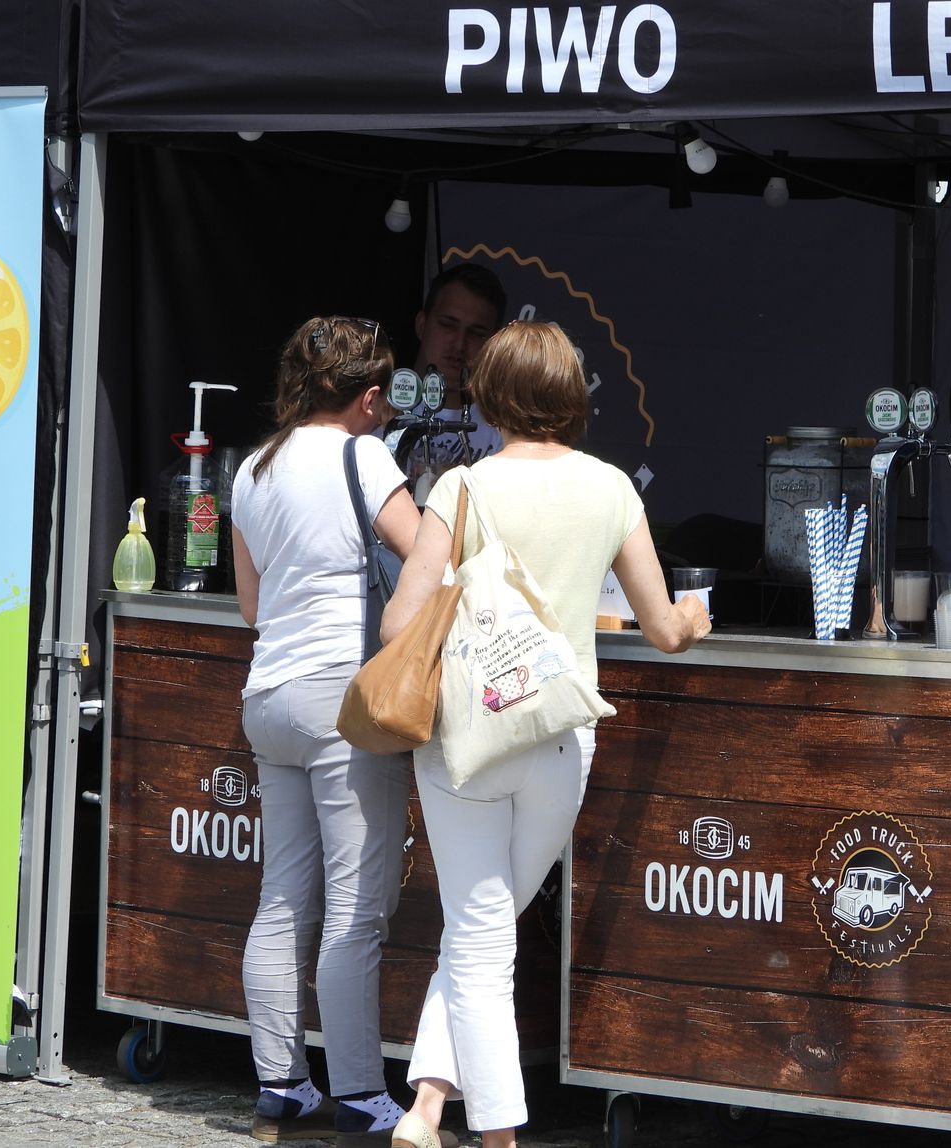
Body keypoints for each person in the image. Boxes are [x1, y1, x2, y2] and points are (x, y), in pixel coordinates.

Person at [378, 321, 712, 1148]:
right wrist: (694, 616)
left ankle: (481, 1128)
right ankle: (435, 1110)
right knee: (484, 927)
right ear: (571, 396)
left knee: (479, 933)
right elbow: (663, 630)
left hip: (466, 739)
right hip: (562, 739)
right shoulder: (610, 489)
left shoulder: (461, 488)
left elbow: (397, 627)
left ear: (488, 398)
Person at [230, 316, 440, 1145]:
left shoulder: (253, 467)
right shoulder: (364, 455)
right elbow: (428, 556)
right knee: (357, 909)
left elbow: (251, 606)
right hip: (341, 702)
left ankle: (281, 1082)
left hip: (268, 696)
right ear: (371, 396)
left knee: (282, 896)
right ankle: (359, 1092)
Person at [401, 264, 507, 493]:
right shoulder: (373, 407)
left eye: (477, 333)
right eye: (448, 325)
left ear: (493, 343)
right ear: (421, 325)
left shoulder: (506, 427)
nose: (459, 344)